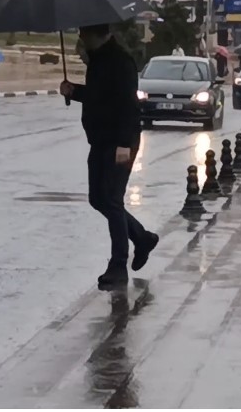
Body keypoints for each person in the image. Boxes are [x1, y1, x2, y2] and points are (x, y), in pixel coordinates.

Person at [60, 23, 158, 289]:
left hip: (119, 142)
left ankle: (118, 266)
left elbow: (128, 105)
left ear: (99, 35)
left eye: (85, 33)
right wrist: (74, 91)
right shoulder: (98, 60)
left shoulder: (120, 61)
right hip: (100, 140)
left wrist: (124, 144)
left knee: (112, 200)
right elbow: (99, 97)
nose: (81, 37)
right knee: (98, 198)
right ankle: (142, 238)